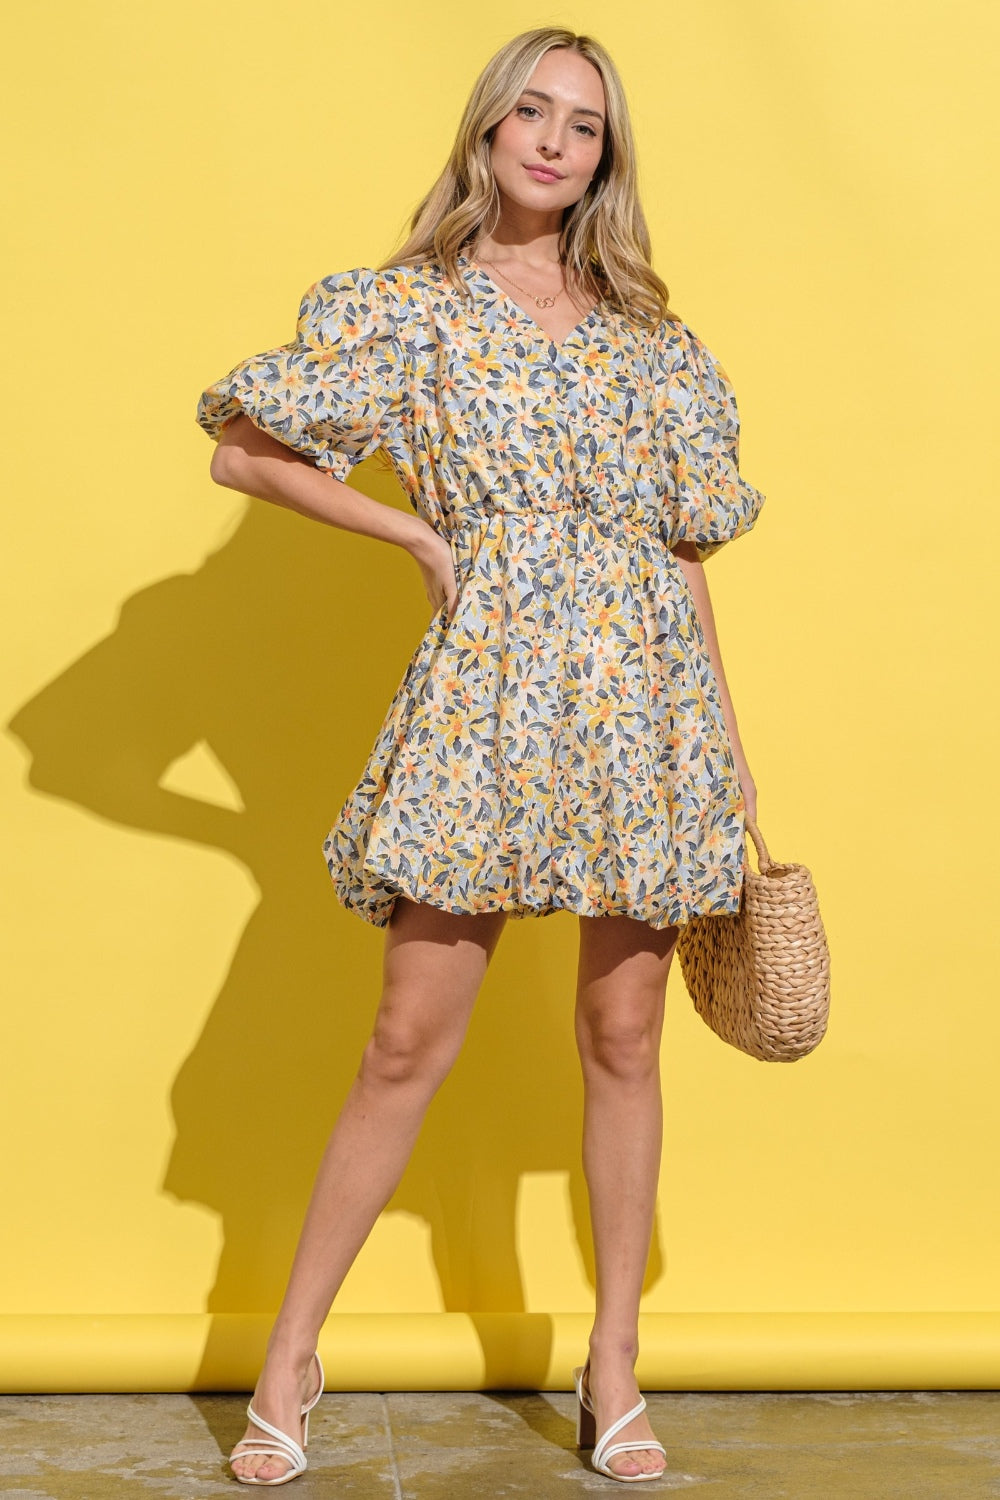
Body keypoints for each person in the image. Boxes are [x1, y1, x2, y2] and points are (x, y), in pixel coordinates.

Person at [197, 24, 765, 1487]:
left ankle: (614, 1369)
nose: (556, 140)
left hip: (647, 705)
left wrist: (732, 757)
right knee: (407, 1040)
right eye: (532, 111)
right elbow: (245, 449)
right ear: (488, 131)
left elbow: (685, 551)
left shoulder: (655, 342)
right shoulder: (412, 312)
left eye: (585, 123)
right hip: (491, 695)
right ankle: (290, 1356)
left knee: (625, 1040)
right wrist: (412, 532)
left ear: (605, 159)